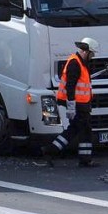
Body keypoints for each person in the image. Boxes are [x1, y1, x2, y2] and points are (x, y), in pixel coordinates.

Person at [42, 37, 99, 167]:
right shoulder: (75, 63)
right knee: (84, 130)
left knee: (74, 130)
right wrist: (71, 106)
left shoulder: (80, 62)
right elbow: (70, 86)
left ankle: (50, 150)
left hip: (81, 103)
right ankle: (85, 160)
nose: (93, 56)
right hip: (78, 104)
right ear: (86, 51)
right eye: (92, 53)